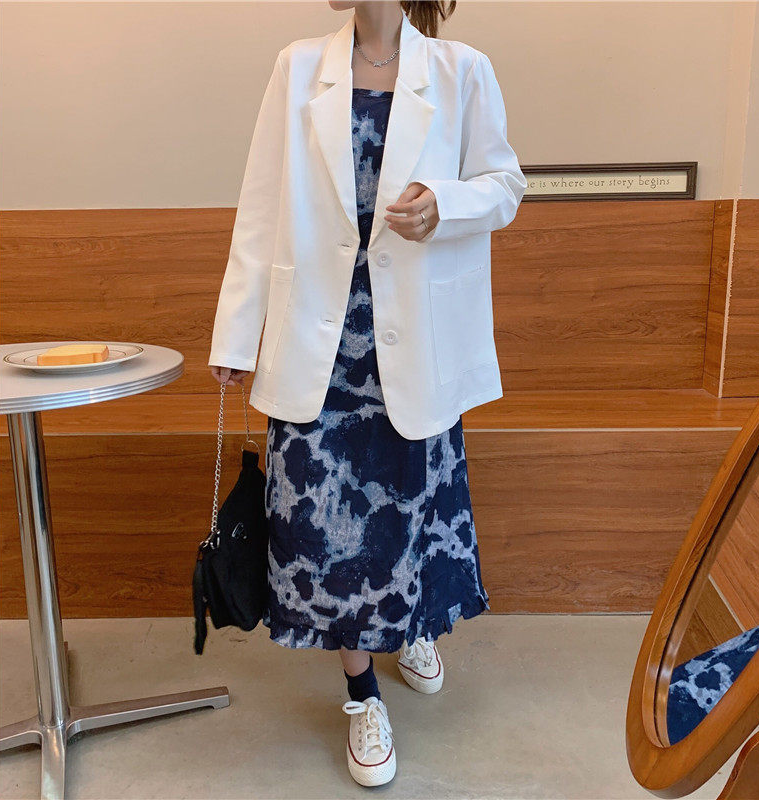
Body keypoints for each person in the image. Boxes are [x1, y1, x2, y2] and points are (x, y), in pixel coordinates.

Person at [208, 0, 525, 787]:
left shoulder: (460, 71)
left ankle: (408, 624)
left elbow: (505, 185)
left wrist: (446, 204)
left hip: (413, 345)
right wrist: (236, 336)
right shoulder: (297, 68)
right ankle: (361, 695)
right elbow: (260, 209)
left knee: (413, 512)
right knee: (327, 535)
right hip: (319, 350)